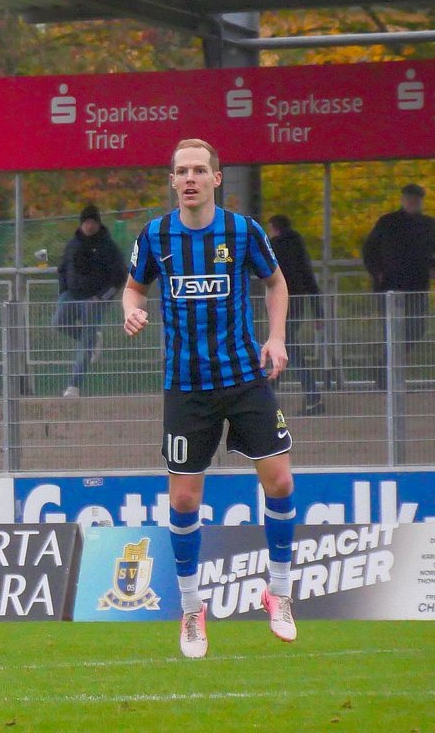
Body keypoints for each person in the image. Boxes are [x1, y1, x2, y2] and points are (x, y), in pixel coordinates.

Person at [121, 138, 296, 660]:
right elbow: (133, 287)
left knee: (280, 481)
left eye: (200, 170)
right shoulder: (156, 235)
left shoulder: (242, 231)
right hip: (186, 385)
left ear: (217, 178)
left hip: (244, 377)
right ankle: (192, 608)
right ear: (172, 181)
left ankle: (279, 592)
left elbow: (276, 283)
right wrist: (131, 309)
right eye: (182, 171)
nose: (190, 178)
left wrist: (276, 338)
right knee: (183, 501)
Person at [361, 183, 435, 386]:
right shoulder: (387, 222)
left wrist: (433, 270)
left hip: (417, 287)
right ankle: (388, 379)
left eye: (416, 199)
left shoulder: (430, 225)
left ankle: (384, 372)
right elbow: (369, 250)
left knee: (416, 329)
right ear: (403, 200)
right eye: (409, 198)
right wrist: (377, 273)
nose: (412, 202)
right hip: (389, 287)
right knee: (392, 332)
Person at [54, 204, 126, 398]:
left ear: (98, 223)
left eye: (93, 222)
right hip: (71, 295)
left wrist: (102, 298)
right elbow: (62, 269)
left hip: (94, 301)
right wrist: (63, 291)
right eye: (86, 222)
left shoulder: (108, 246)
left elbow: (119, 276)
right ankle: (94, 339)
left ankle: (73, 386)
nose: (89, 225)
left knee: (86, 341)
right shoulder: (73, 244)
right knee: (59, 322)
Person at [267, 215, 324, 415]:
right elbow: (309, 277)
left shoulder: (273, 247)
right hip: (298, 301)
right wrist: (318, 313)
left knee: (287, 346)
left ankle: (312, 395)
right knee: (285, 344)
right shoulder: (298, 246)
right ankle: (272, 391)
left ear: (274, 229)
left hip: (280, 302)